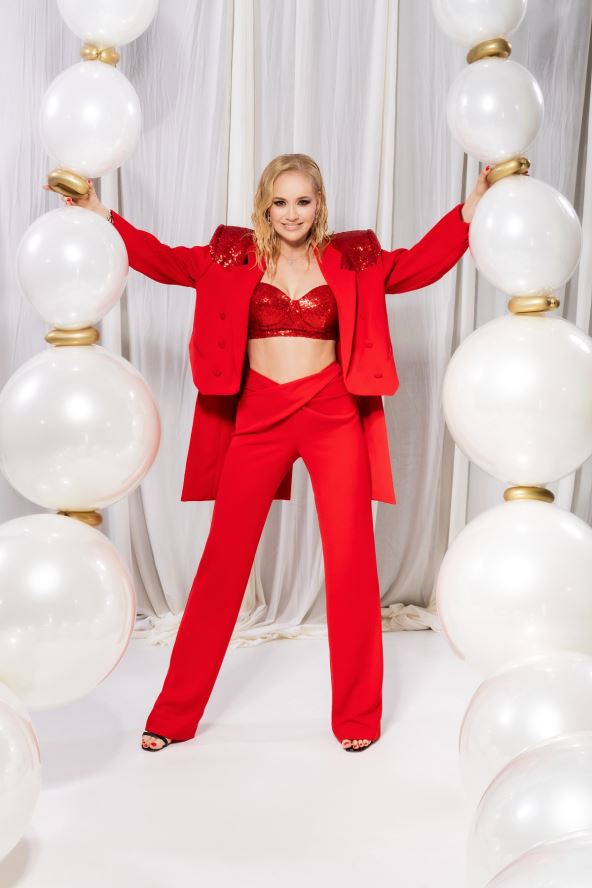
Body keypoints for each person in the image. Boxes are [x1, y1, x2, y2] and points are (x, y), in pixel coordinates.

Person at [46, 153, 490, 752]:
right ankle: (174, 714)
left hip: (333, 414)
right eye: (280, 202)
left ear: (319, 204)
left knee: (352, 564)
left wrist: (470, 208)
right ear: (264, 204)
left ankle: (357, 717)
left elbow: (417, 267)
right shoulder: (232, 255)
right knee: (222, 564)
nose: (291, 214)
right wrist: (102, 215)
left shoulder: (352, 257)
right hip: (259, 418)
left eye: (302, 201)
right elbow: (163, 261)